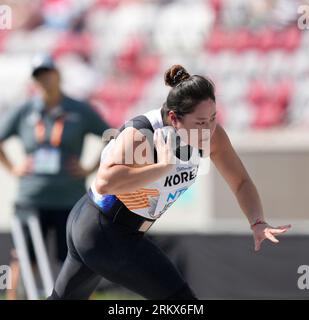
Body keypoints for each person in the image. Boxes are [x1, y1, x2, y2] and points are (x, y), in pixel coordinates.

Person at [48, 65, 291, 300]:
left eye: (213, 118)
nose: (208, 129)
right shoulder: (142, 133)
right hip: (103, 228)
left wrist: (257, 221)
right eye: (200, 122)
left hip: (114, 229)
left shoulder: (212, 136)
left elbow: (241, 181)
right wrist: (162, 167)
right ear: (174, 118)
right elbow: (104, 183)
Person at [0, 54, 110, 299]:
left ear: (57, 75)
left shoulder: (79, 109)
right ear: (34, 81)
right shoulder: (25, 110)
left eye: (48, 74)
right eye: (39, 76)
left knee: (74, 256)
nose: (44, 80)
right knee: (22, 257)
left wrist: (90, 168)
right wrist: (13, 168)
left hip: (69, 198)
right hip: (31, 197)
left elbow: (112, 134)